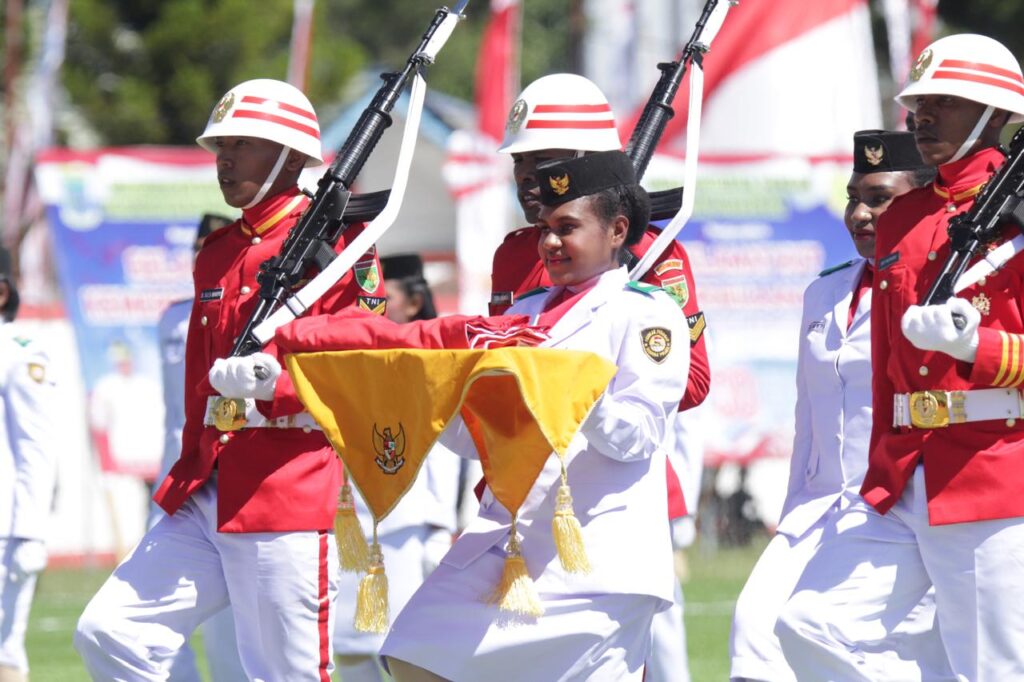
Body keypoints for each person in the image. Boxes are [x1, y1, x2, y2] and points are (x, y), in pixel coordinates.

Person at [74, 78, 386, 681]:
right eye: (221, 145)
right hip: (207, 483)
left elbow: (362, 356)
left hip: (283, 484)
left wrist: (275, 383)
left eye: (243, 144)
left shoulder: (341, 246)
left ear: (292, 157)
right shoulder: (217, 252)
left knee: (284, 674)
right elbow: (200, 377)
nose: (224, 159)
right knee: (112, 632)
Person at [368, 151, 687, 681]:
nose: (550, 243)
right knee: (412, 651)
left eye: (567, 228)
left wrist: (571, 393)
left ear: (617, 230)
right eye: (545, 230)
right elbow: (484, 438)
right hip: (509, 544)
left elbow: (639, 436)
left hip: (599, 556)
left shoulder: (648, 312)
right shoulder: (523, 312)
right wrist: (430, 404)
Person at [776, 35, 1024, 681]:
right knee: (809, 623)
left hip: (989, 469)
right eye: (920, 103)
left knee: (992, 670)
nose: (924, 116)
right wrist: (882, 460)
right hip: (900, 470)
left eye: (947, 102)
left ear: (996, 114)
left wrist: (976, 348)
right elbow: (890, 356)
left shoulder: (1018, 214)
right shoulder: (903, 216)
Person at [492, 71, 707, 679]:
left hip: (615, 490)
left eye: (544, 160)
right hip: (524, 490)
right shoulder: (515, 253)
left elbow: (692, 383)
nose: (527, 176)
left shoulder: (653, 250)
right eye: (520, 161)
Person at [729, 131, 949, 682]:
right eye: (853, 197)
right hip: (820, 508)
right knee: (754, 632)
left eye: (879, 198)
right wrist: (795, 509)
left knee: (880, 650)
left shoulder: (941, 292)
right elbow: (809, 417)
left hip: (901, 508)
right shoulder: (824, 292)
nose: (859, 214)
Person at [333, 253, 460, 682]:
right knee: (349, 649)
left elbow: (445, 449)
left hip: (406, 524)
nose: (372, 307)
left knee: (407, 652)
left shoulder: (430, 358)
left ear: (414, 302)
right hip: (351, 524)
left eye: (383, 298)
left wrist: (440, 525)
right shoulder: (351, 355)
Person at [148, 213, 246, 682]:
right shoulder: (171, 316)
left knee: (227, 614)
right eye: (197, 249)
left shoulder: (244, 317)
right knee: (151, 602)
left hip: (220, 476)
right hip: (172, 472)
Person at [0, 246, 58, 682]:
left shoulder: (20, 350)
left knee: (5, 654)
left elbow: (36, 444)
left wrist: (30, 534)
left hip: (5, 530)